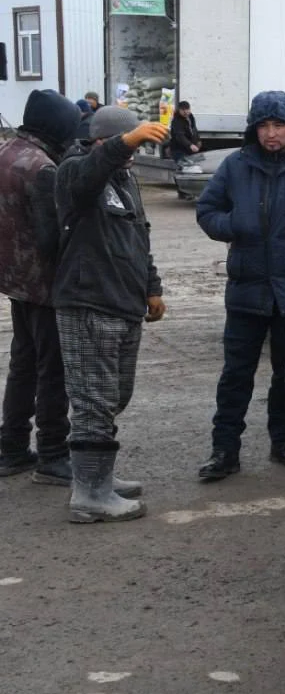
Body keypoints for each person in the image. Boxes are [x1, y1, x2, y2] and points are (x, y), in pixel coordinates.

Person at [52, 107, 168, 523]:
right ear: (103, 140)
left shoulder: (124, 178)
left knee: (114, 395)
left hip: (123, 303)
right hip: (88, 303)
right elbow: (87, 178)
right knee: (92, 401)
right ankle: (89, 493)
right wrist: (126, 142)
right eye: (128, 142)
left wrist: (151, 287)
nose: (135, 152)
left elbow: (139, 236)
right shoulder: (73, 171)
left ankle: (99, 475)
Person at [195, 90, 285, 481]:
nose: (271, 133)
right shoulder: (235, 165)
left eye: (278, 125)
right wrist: (234, 226)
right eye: (263, 125)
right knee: (235, 375)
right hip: (246, 291)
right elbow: (207, 210)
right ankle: (224, 449)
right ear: (253, 129)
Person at [0, 90, 80, 479]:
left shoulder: (6, 152)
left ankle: (12, 447)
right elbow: (53, 239)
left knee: (23, 366)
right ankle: (52, 453)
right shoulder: (42, 168)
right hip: (45, 288)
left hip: (15, 281)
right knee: (53, 372)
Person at [168, 101, 200, 167]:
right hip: (178, 150)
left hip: (188, 149)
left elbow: (194, 129)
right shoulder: (176, 120)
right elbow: (180, 136)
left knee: (193, 166)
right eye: (183, 110)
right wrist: (190, 145)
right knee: (183, 167)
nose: (185, 112)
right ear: (179, 110)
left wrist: (198, 140)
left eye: (187, 109)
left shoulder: (190, 116)